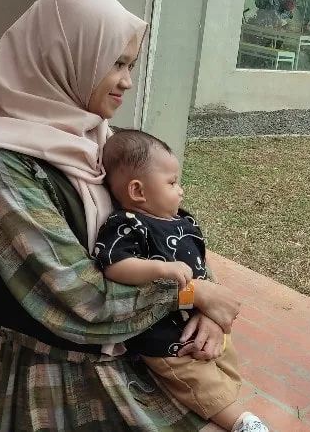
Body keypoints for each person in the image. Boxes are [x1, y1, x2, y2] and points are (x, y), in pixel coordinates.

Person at [0, 0, 247, 429]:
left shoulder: (99, 139)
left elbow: (166, 228)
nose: (127, 81)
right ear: (65, 54)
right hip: (62, 384)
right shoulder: (2, 163)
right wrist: (191, 294)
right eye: (115, 63)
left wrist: (207, 308)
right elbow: (76, 299)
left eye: (131, 64)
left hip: (142, 360)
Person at [92, 129, 267, 432]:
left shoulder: (183, 221)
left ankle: (231, 408)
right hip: (165, 336)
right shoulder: (129, 224)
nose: (180, 190)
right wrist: (160, 270)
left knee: (222, 363)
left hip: (197, 317)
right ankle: (243, 423)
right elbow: (114, 266)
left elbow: (201, 266)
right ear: (138, 191)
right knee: (197, 382)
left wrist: (209, 304)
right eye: (172, 183)